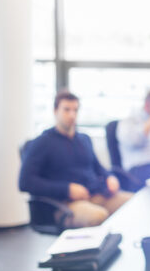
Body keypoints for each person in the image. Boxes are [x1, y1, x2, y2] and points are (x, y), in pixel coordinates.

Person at [19, 91, 132, 228]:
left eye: (75, 110)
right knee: (98, 216)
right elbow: (25, 182)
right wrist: (67, 189)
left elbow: (98, 167)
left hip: (96, 194)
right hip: (66, 203)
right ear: (55, 111)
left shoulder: (84, 139)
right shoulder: (42, 143)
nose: (72, 115)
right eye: (66, 110)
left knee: (133, 203)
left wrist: (109, 177)